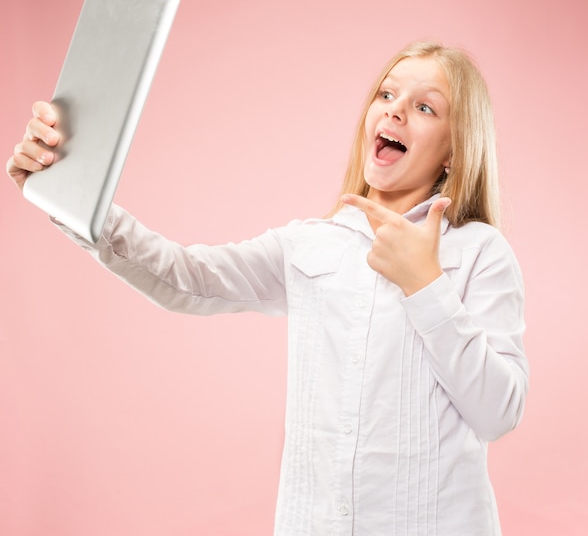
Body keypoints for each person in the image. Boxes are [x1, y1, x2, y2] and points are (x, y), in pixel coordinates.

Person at [7, 40, 528, 536]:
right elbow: (184, 277)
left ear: (456, 152)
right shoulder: (308, 244)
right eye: (387, 95)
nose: (393, 112)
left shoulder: (479, 253)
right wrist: (72, 193)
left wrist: (425, 284)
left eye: (424, 108)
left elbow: (498, 413)